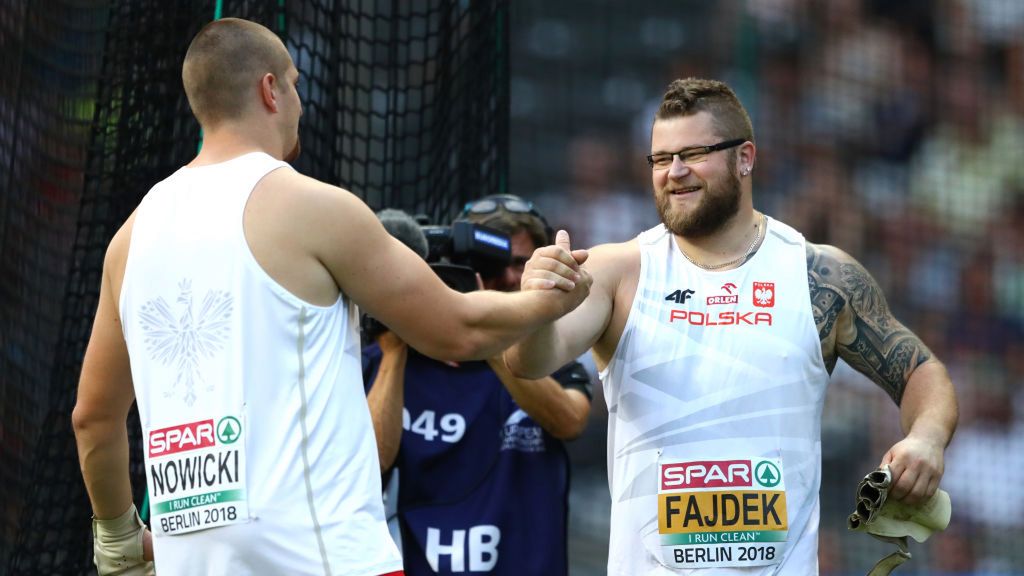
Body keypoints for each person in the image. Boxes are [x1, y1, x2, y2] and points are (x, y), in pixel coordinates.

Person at [70, 18, 590, 576]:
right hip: (323, 559)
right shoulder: (312, 205)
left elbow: (93, 419)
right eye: (293, 85)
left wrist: (119, 538)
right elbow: (457, 329)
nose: (300, 103)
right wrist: (549, 297)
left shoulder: (130, 237)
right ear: (271, 90)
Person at [504, 77, 958, 575]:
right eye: (660, 159)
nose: (673, 172)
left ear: (745, 158)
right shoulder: (619, 272)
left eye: (693, 153)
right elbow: (528, 361)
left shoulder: (818, 275)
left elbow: (920, 371)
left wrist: (927, 439)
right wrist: (537, 307)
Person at [363, 197, 592, 575]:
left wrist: (484, 335)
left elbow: (570, 420)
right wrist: (402, 340)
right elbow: (369, 467)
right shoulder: (390, 353)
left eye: (522, 263)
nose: (506, 279)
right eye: (490, 266)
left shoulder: (548, 347)